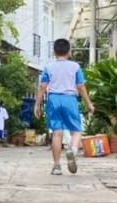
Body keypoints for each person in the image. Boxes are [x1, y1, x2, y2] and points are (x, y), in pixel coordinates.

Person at [34, 38, 94, 175]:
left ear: (54, 52)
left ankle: (56, 166)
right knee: (76, 130)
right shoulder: (75, 67)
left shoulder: (48, 67)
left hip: (53, 100)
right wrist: (89, 104)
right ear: (69, 52)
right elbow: (81, 87)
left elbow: (42, 87)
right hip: (70, 99)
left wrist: (37, 104)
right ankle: (72, 150)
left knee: (57, 133)